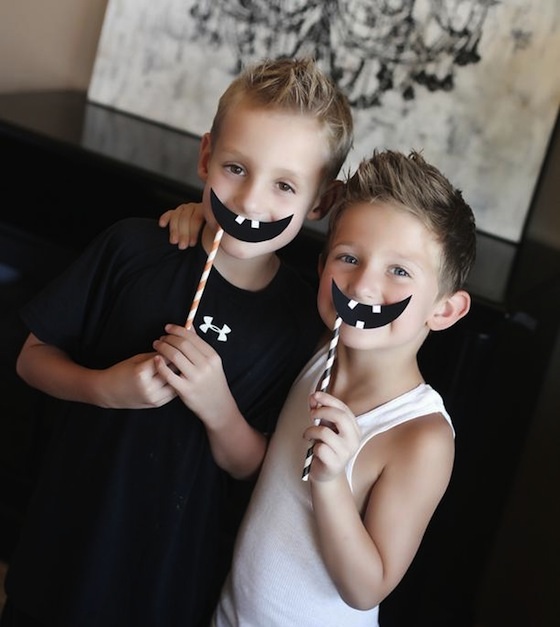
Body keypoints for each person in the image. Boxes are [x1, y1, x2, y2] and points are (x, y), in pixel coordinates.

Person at [0, 57, 354, 627]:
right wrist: (105, 388)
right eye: (236, 168)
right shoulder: (134, 249)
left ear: (320, 203)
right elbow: (29, 359)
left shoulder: (300, 320)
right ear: (206, 156)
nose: (250, 200)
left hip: (170, 577)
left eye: (285, 184)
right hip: (67, 543)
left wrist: (218, 408)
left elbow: (256, 468)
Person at [208, 148, 477, 626]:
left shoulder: (421, 437)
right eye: (349, 257)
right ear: (321, 268)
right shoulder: (317, 353)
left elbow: (366, 587)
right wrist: (200, 221)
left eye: (399, 271)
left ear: (445, 310)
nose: (362, 286)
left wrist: (331, 483)